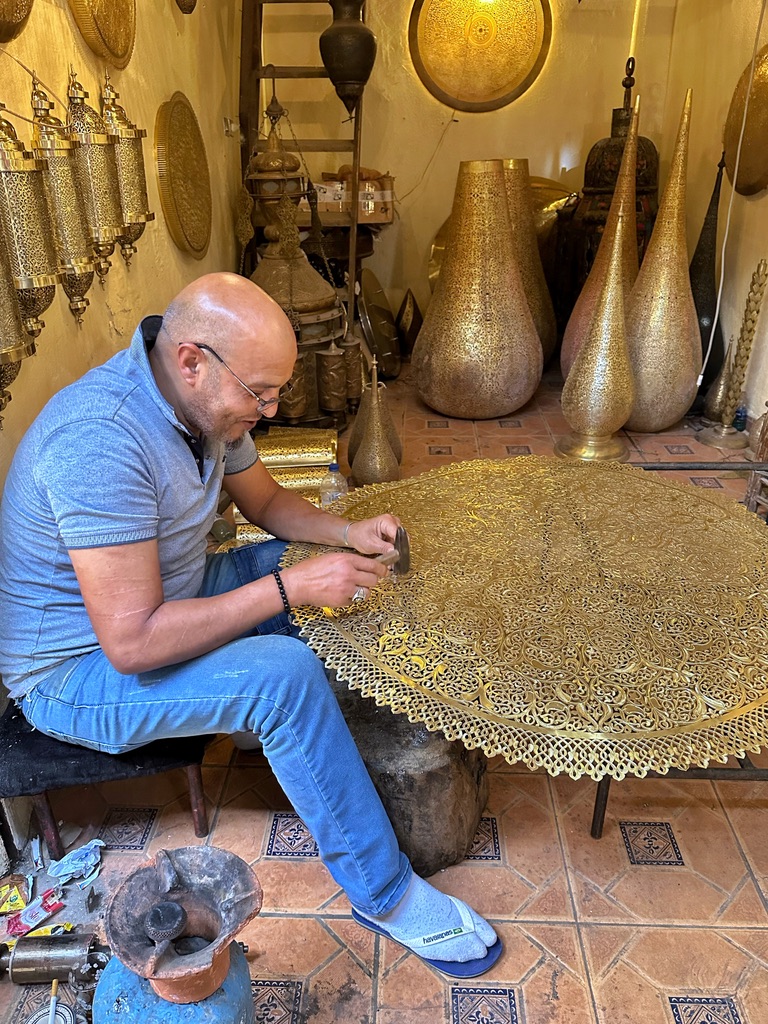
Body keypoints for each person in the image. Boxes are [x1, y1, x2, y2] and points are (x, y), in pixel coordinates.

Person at [0, 273, 501, 977]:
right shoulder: (100, 441)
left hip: (173, 595)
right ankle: (386, 894)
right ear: (192, 361)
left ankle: (315, 730)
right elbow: (133, 642)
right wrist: (289, 588)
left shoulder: (203, 403)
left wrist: (347, 533)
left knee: (297, 562)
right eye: (260, 394)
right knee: (283, 677)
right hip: (78, 671)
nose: (268, 411)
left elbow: (265, 503)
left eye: (276, 392)